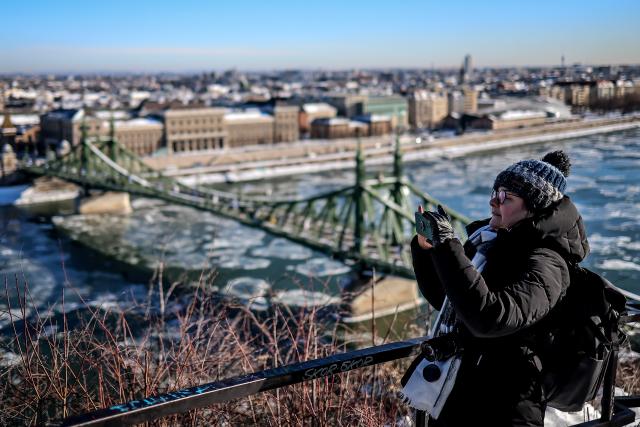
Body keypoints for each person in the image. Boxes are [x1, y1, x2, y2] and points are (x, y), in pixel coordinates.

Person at [411, 150, 589, 427]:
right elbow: (452, 301)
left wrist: (448, 247)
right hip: (459, 390)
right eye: (496, 191)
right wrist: (428, 251)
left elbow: (490, 318)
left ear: (533, 207)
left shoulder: (548, 262)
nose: (493, 200)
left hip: (504, 405)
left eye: (507, 196)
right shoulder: (489, 241)